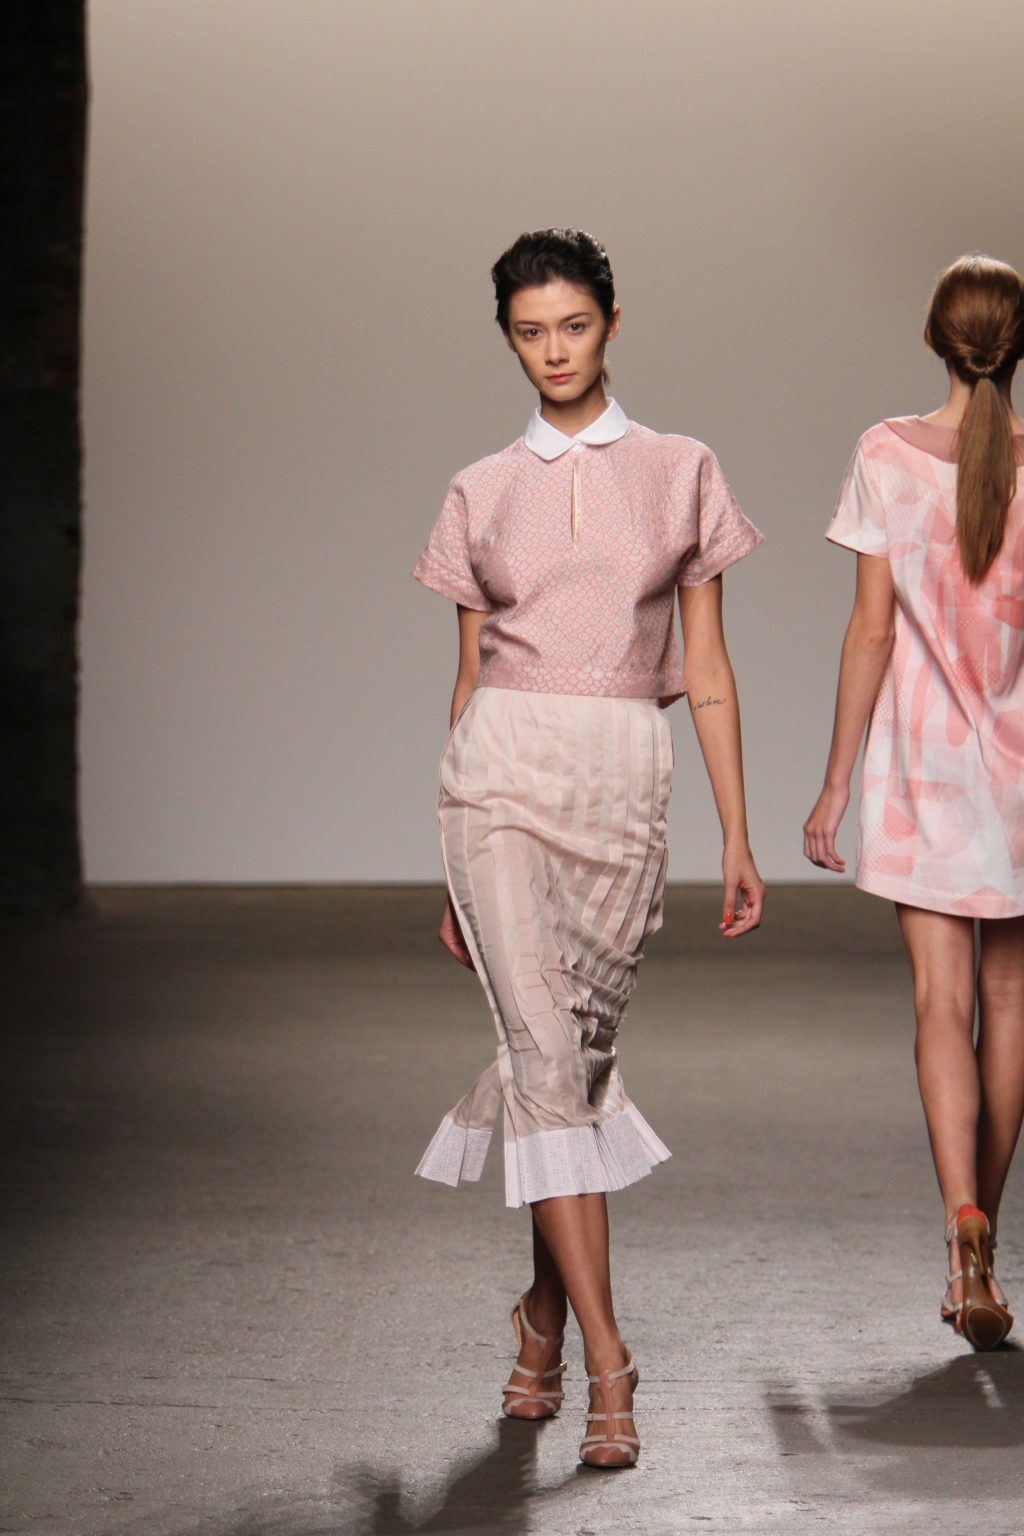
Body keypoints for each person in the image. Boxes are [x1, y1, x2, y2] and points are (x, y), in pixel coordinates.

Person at [413, 228, 764, 1467]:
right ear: (506, 340)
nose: (553, 351)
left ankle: (541, 1318)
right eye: (529, 333)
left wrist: (735, 830)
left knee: (571, 1061)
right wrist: (450, 867)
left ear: (612, 322)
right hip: (499, 774)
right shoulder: (478, 488)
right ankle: (613, 1365)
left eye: (571, 325)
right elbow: (467, 677)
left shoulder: (681, 469)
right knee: (543, 1057)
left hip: (623, 777)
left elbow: (705, 668)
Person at [803, 254, 1024, 1351]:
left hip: (920, 774)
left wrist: (836, 782)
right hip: (1022, 772)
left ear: (933, 340)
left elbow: (871, 630)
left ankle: (959, 1225)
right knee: (1009, 1000)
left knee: (940, 1003)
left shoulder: (884, 454)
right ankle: (987, 1241)